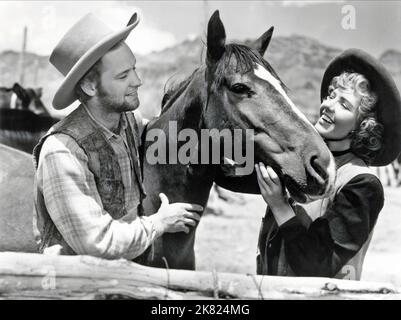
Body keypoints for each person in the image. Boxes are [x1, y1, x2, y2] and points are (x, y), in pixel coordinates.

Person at [32, 13, 203, 259]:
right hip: (79, 286)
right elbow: (97, 244)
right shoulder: (63, 151)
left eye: (134, 68)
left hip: (123, 272)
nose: (138, 81)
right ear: (90, 86)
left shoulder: (128, 121)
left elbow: (165, 134)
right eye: (123, 76)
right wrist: (159, 223)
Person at [255, 49, 401, 280]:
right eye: (331, 95)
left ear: (364, 124)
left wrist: (280, 206)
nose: (328, 105)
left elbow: (316, 265)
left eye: (344, 104)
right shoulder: (303, 163)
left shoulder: (362, 184)